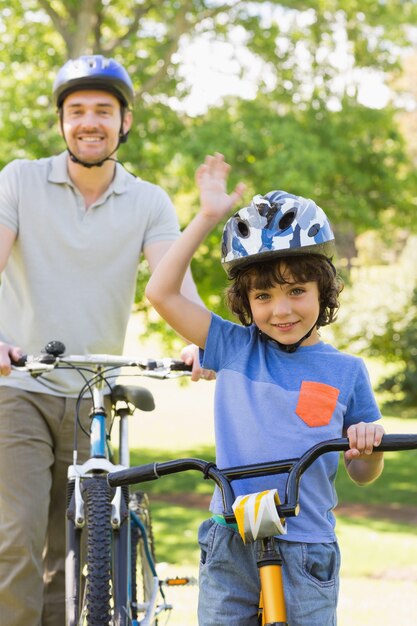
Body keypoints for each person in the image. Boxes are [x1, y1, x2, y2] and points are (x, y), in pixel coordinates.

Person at [0, 54, 210, 626]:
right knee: (16, 539)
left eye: (102, 110)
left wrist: (200, 341)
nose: (89, 121)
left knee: (75, 553)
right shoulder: (19, 179)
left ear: (125, 122)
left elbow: (174, 285)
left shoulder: (148, 201)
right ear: (62, 122)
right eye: (76, 111)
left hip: (94, 396)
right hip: (18, 384)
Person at [145, 153, 385, 626]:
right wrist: (207, 216)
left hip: (306, 544)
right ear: (245, 301)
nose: (281, 310)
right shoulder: (234, 348)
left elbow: (363, 474)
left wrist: (367, 452)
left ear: (324, 291)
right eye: (263, 296)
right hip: (230, 538)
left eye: (297, 291)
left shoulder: (347, 371)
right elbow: (161, 293)